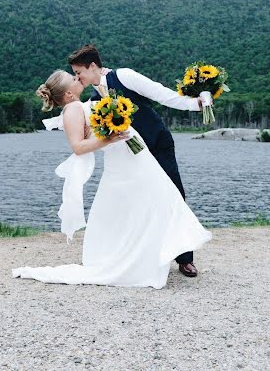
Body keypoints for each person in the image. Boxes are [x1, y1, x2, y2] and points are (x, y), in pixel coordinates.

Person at [12, 69, 211, 289]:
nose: (78, 78)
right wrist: (109, 139)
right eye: (74, 78)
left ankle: (162, 253)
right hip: (123, 165)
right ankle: (137, 258)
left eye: (77, 74)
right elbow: (78, 147)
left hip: (132, 159)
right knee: (155, 201)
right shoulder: (72, 110)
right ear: (68, 93)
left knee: (159, 199)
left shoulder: (86, 103)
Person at [69, 44, 211, 278]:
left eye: (79, 72)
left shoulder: (124, 76)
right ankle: (146, 254)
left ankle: (185, 259)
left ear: (92, 66)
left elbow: (161, 94)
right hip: (134, 155)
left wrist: (195, 104)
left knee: (174, 193)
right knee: (139, 201)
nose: (78, 77)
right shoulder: (95, 98)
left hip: (157, 142)